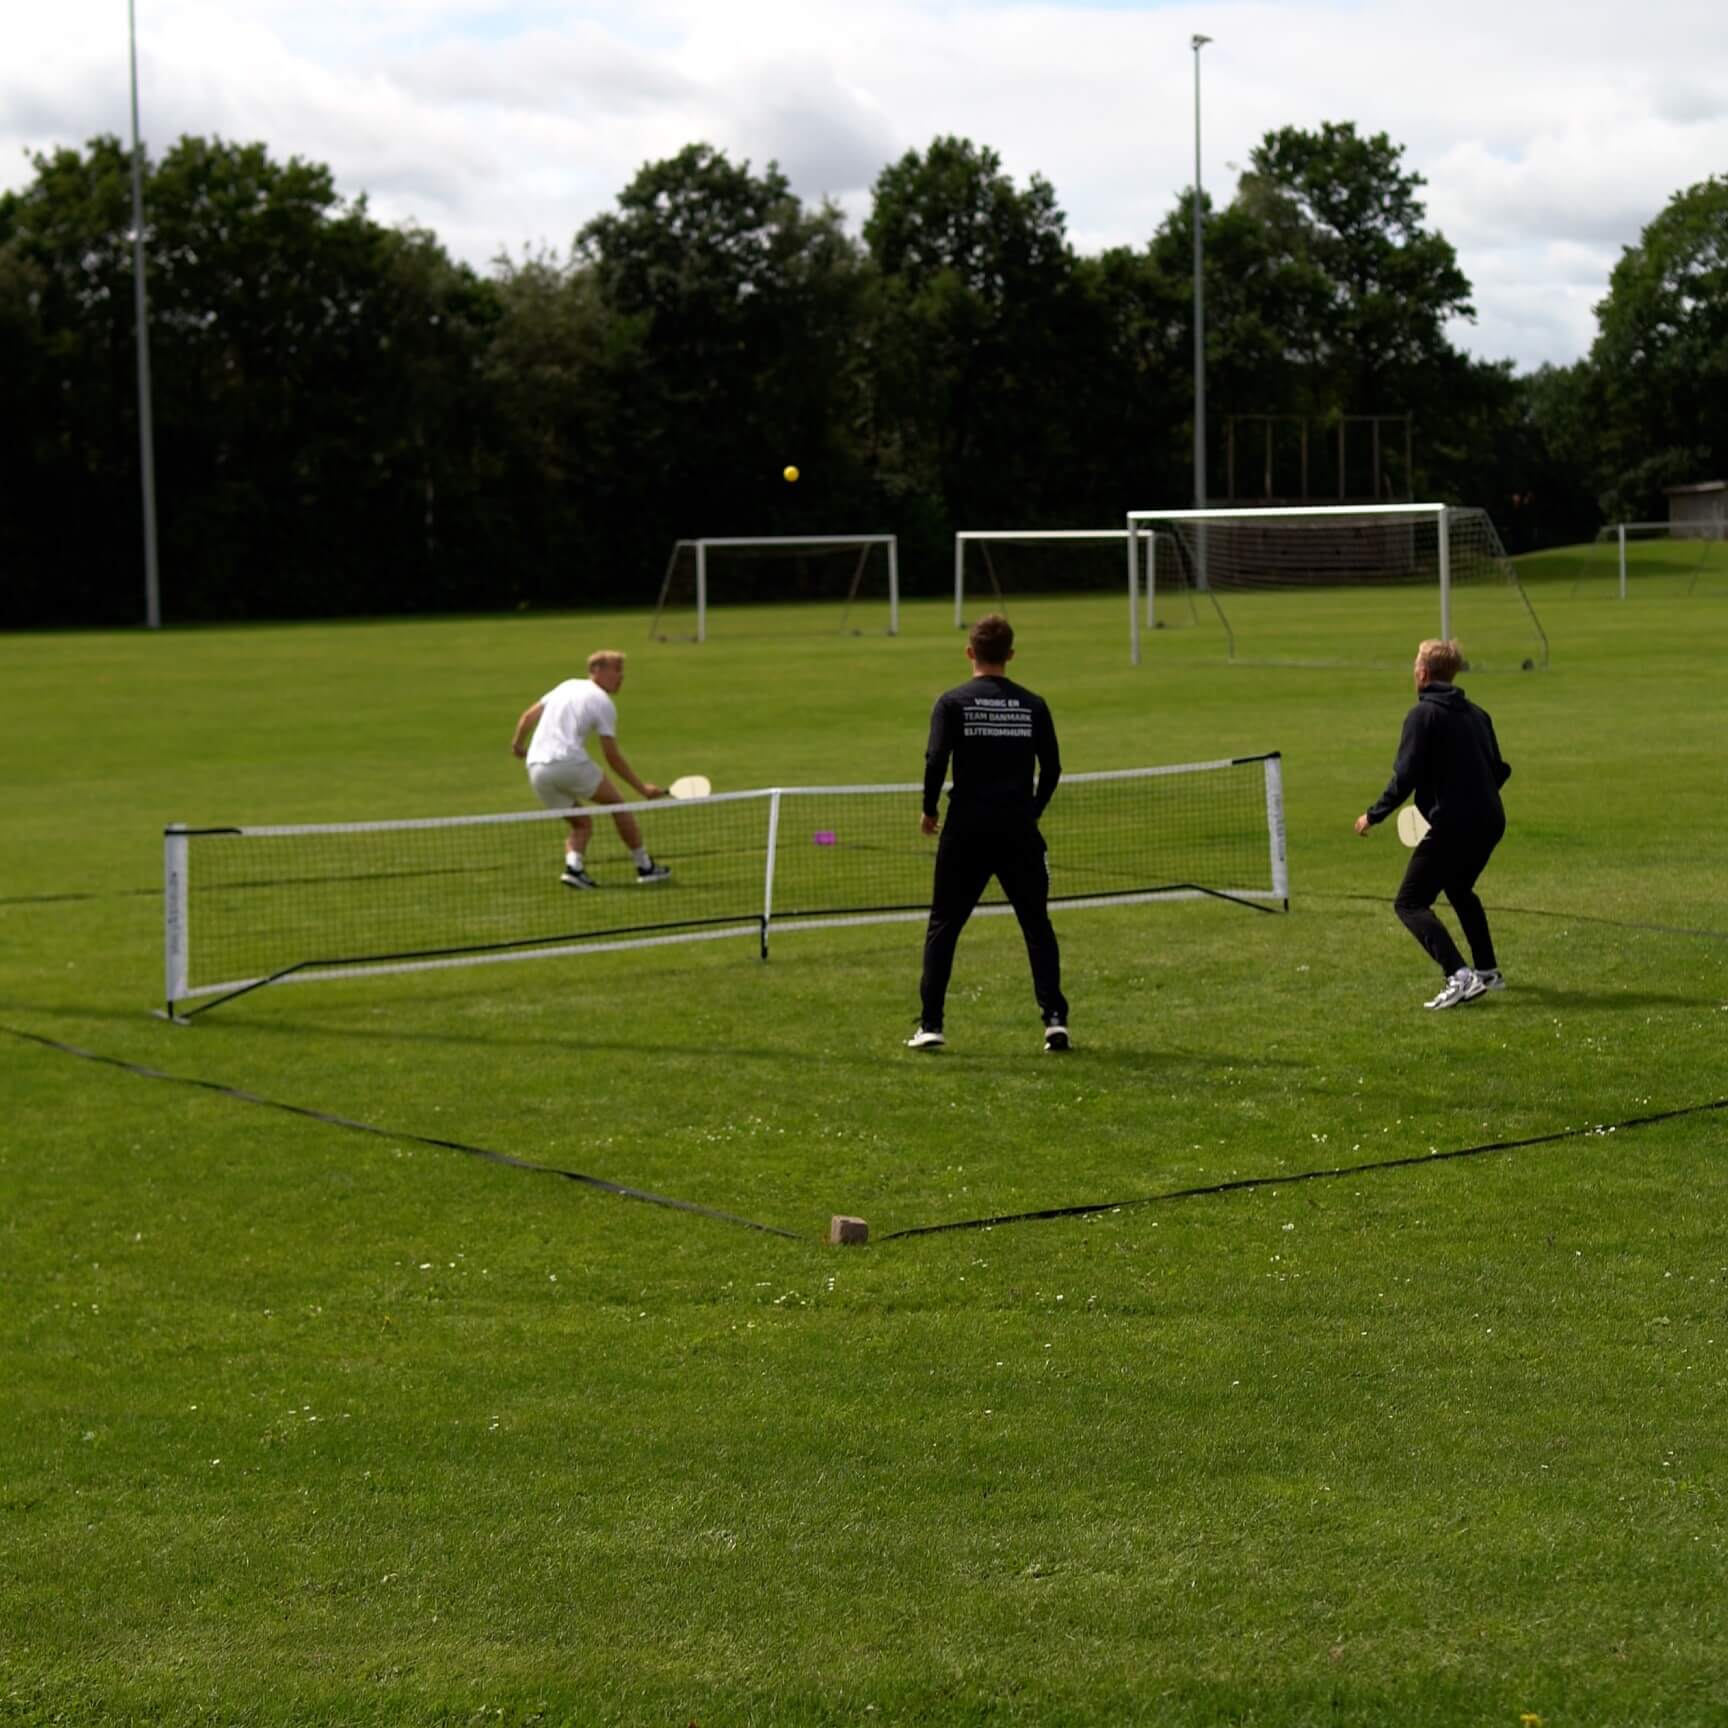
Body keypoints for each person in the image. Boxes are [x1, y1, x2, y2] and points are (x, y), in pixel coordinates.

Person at [908, 613, 1070, 1053]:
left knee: (944, 924)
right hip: (1018, 829)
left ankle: (931, 1024)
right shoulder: (1033, 704)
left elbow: (935, 759)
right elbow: (1052, 768)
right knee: (1036, 924)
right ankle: (1054, 1019)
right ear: (1011, 655)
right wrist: (1031, 810)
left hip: (966, 830)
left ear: (969, 653)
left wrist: (928, 809)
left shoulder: (952, 703)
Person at [1354, 638, 1512, 1009]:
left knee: (1409, 903)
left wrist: (1372, 815)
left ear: (1423, 674)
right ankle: (1487, 970)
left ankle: (1459, 975)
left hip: (1455, 825)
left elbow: (1404, 777)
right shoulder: (1478, 714)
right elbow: (1498, 771)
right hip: (1491, 820)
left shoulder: (1422, 716)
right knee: (1459, 888)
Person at [510, 650, 671, 888]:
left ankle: (574, 868)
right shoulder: (602, 702)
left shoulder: (566, 686)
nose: (621, 676)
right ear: (596, 671)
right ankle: (645, 867)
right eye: (616, 669)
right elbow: (612, 756)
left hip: (536, 769)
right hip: (568, 763)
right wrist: (642, 789)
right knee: (618, 806)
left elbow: (527, 717)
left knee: (581, 823)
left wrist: (518, 746)